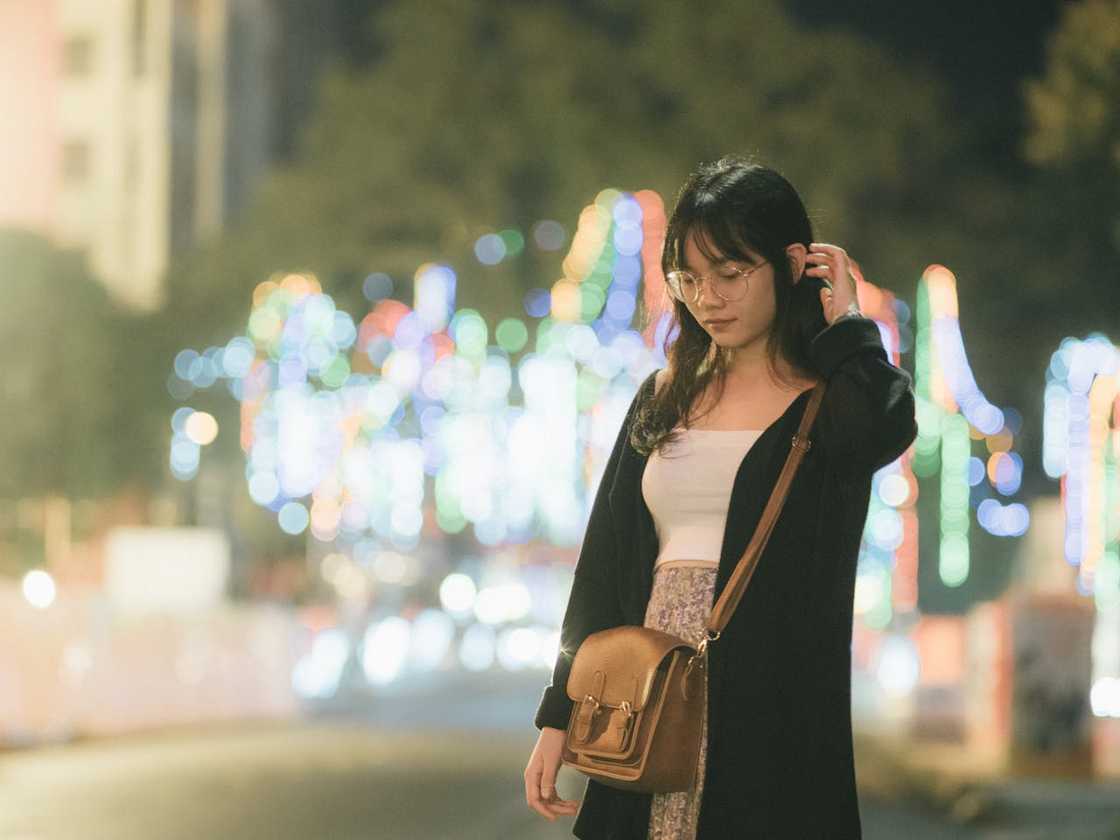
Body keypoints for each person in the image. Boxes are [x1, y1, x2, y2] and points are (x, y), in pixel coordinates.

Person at [524, 154, 918, 839]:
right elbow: (604, 568)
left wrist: (848, 321)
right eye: (690, 278)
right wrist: (560, 715)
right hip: (643, 697)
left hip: (772, 706)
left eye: (732, 274)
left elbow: (884, 426)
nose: (709, 297)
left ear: (794, 265)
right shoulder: (661, 399)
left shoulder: (828, 404)